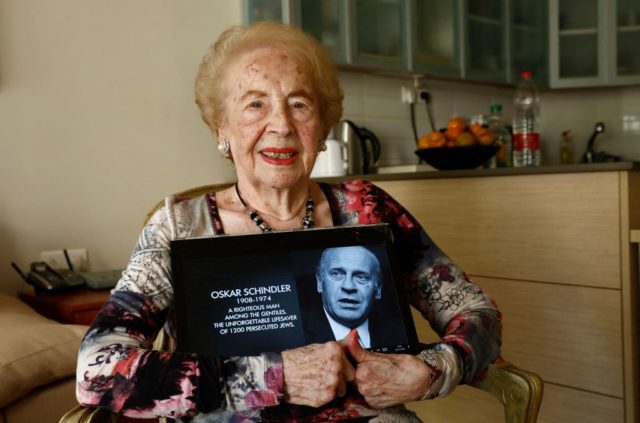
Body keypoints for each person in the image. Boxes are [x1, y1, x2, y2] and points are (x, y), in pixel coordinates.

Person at [75, 21, 501, 422]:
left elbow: (475, 311)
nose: (280, 125)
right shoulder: (179, 226)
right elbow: (99, 368)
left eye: (299, 104)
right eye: (255, 104)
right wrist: (275, 377)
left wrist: (434, 370)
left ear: (321, 125)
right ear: (221, 127)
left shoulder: (367, 208)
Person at [301, 245, 399, 349]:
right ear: (320, 282)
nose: (348, 286)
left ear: (378, 288)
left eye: (361, 277)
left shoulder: (398, 334)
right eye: (337, 274)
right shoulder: (296, 339)